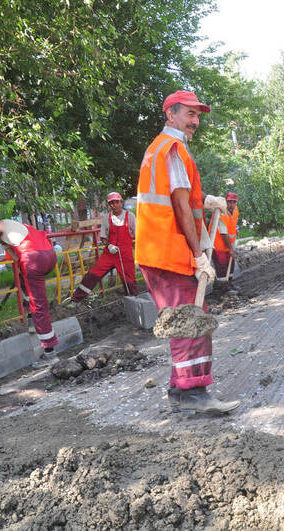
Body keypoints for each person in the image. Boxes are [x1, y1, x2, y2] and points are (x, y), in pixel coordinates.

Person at [136, 90, 240, 415]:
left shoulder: (158, 149)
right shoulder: (173, 149)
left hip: (157, 250)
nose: (195, 121)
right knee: (190, 322)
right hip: (169, 251)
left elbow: (179, 198)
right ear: (171, 114)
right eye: (190, 114)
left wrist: (205, 200)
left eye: (197, 116)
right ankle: (193, 393)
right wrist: (198, 255)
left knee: (182, 321)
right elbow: (180, 205)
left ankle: (179, 392)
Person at [0, 219, 58, 362]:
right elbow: (16, 258)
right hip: (49, 255)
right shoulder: (18, 228)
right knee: (25, 280)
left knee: (38, 304)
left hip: (34, 259)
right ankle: (31, 319)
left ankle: (49, 352)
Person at [65, 191, 138, 306]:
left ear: (121, 202)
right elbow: (103, 237)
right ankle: (75, 300)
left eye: (116, 202)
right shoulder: (106, 218)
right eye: (111, 203)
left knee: (129, 279)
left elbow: (137, 235)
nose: (114, 205)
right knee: (93, 274)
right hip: (109, 253)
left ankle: (134, 302)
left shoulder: (131, 217)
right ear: (109, 205)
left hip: (125, 254)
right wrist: (109, 245)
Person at [209, 192, 239, 293]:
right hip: (217, 246)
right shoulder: (221, 213)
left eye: (233, 202)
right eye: (229, 202)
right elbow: (223, 234)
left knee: (230, 265)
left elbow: (232, 224)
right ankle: (224, 288)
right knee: (222, 267)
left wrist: (236, 231)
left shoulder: (235, 211)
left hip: (228, 245)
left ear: (236, 203)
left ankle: (229, 284)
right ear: (226, 202)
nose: (231, 204)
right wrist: (231, 249)